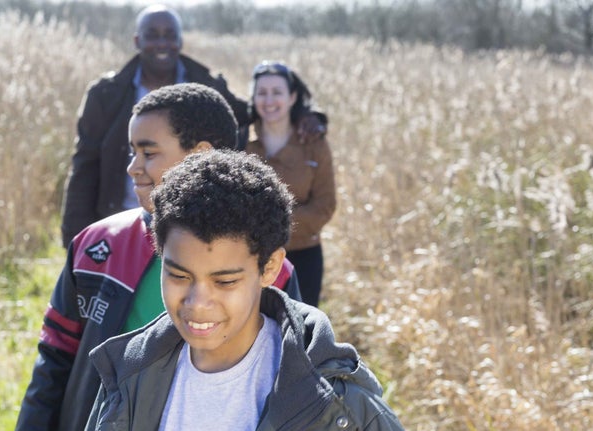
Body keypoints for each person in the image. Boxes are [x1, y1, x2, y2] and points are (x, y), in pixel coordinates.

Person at [16, 84, 301, 431]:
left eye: (148, 153)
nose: (133, 168)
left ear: (200, 154)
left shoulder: (271, 271)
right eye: (132, 153)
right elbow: (54, 360)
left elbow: (294, 380)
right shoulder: (95, 246)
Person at [85, 150, 404, 430]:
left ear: (270, 268)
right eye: (179, 276)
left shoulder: (340, 404)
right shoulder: (127, 376)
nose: (197, 303)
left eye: (224, 282)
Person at [60, 4, 326, 248]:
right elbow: (85, 165)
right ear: (137, 41)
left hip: (188, 228)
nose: (162, 42)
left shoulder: (206, 86)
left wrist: (306, 115)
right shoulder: (106, 94)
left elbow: (254, 113)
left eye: (169, 35)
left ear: (180, 41)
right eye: (153, 35)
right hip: (121, 226)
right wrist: (75, 239)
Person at [245, 61, 337, 307]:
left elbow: (325, 206)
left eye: (277, 92)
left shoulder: (314, 142)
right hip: (251, 258)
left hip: (303, 256)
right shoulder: (241, 141)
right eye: (261, 93)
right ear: (252, 97)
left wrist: (272, 226)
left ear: (292, 97)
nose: (269, 100)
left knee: (299, 336)